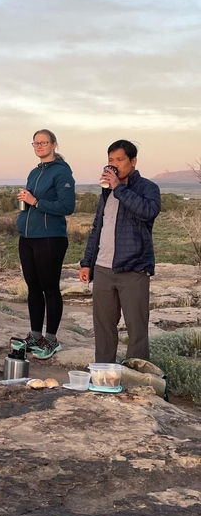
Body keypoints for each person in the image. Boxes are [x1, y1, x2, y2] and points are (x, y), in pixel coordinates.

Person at [79, 139, 161, 363]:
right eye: (110, 160)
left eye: (119, 160)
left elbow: (147, 212)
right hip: (103, 269)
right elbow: (98, 227)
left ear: (133, 161)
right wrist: (87, 262)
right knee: (104, 327)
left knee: (136, 329)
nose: (114, 164)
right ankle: (104, 374)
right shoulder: (106, 193)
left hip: (134, 269)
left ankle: (136, 378)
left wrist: (119, 188)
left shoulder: (148, 188)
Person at [16, 129, 75, 359]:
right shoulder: (34, 172)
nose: (39, 146)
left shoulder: (62, 173)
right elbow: (32, 201)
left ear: (54, 145)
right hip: (28, 237)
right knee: (33, 288)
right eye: (36, 143)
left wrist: (36, 202)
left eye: (44, 142)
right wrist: (24, 212)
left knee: (50, 288)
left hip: (50, 237)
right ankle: (35, 335)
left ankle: (51, 339)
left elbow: (67, 206)